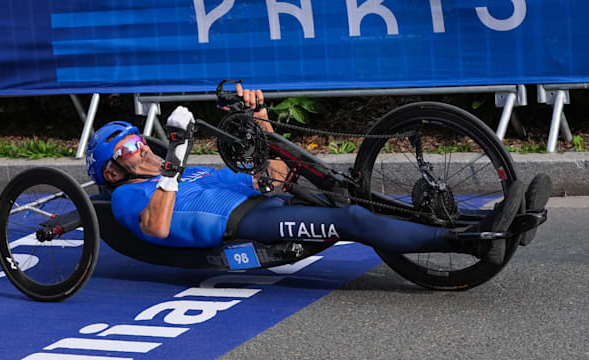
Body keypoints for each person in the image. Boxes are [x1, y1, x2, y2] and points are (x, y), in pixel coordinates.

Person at [85, 85, 549, 265]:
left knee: (344, 189)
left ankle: (490, 217)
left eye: (141, 139)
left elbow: (276, 170)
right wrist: (172, 165)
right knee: (352, 221)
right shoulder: (130, 196)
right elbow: (157, 228)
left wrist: (259, 116)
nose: (141, 146)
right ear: (111, 168)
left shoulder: (191, 171)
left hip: (270, 199)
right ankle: (476, 242)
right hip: (248, 224)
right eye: (127, 146)